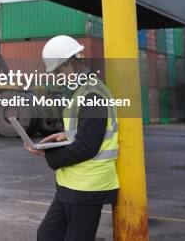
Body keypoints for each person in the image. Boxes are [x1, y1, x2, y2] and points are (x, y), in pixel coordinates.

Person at [26, 35, 119, 241]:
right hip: (72, 185)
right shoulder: (81, 91)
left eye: (58, 72)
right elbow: (87, 131)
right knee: (47, 235)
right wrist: (65, 135)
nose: (58, 78)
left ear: (68, 64)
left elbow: (87, 146)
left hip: (88, 187)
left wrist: (48, 155)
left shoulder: (93, 94)